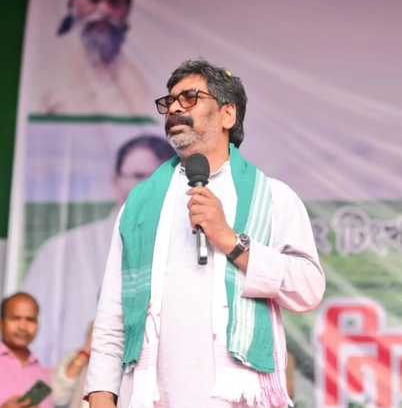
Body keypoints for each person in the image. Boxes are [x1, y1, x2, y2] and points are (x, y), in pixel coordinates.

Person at [84, 59, 326, 408]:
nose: (174, 108)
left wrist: (230, 239)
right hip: (154, 395)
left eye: (190, 98)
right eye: (170, 101)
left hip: (238, 396)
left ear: (228, 114)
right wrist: (101, 395)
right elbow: (113, 312)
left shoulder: (274, 197)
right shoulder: (138, 205)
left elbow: (308, 290)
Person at [23, 135, 176, 367]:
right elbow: (35, 342)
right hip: (78, 382)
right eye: (138, 176)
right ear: (115, 181)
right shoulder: (62, 251)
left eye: (157, 178)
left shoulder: (188, 248)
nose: (147, 187)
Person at [34, 0, 152, 117]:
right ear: (73, 4)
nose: (104, 10)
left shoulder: (137, 79)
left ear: (126, 11)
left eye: (114, 2)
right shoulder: (47, 67)